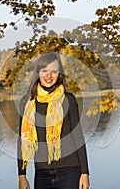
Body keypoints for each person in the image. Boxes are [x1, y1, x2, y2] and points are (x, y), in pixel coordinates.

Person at [17, 52, 90, 189]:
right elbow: (22, 140)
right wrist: (22, 175)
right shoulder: (27, 103)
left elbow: (78, 136)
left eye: (54, 71)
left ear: (59, 74)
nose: (49, 76)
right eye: (44, 70)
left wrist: (85, 173)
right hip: (42, 172)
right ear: (38, 72)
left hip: (70, 170)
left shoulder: (68, 99)